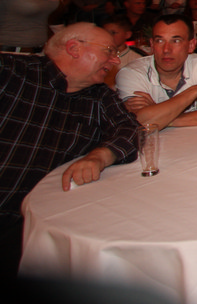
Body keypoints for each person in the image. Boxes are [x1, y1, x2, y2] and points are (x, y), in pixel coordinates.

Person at [0, 23, 139, 277]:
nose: (116, 60)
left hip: (33, 225)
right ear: (74, 48)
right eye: (109, 51)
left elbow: (131, 130)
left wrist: (100, 155)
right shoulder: (12, 72)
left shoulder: (99, 97)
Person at [116, 14, 197, 129]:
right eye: (160, 41)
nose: (166, 50)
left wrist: (163, 117)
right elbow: (140, 121)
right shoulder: (131, 73)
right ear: (152, 45)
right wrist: (194, 92)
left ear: (191, 45)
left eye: (176, 41)